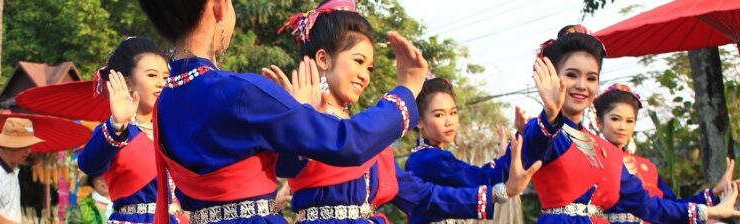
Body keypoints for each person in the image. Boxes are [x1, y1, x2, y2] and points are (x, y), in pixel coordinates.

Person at [137, 0, 538, 223]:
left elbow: (410, 193)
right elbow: (342, 147)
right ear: (219, 7)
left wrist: (502, 191)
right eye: (360, 61)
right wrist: (408, 89)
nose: (366, 74)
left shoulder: (169, 99)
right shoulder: (247, 95)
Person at [522, 25, 740, 223]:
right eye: (571, 75)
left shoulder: (608, 152)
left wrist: (711, 211)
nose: (582, 86)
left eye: (591, 78)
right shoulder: (545, 130)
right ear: (552, 76)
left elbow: (648, 206)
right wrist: (550, 114)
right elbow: (532, 151)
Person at [593, 83, 733, 223]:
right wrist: (711, 212)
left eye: (630, 121)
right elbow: (648, 205)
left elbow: (671, 205)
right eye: (615, 119)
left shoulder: (646, 167)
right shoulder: (595, 160)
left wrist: (715, 191)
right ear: (599, 122)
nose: (623, 127)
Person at [78, 36, 177, 223]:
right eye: (152, 75)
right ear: (128, 82)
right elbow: (89, 164)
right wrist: (117, 123)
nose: (161, 83)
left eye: (165, 77)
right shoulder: (117, 132)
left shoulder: (175, 131)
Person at [401, 78, 524, 224]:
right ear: (419, 121)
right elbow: (480, 181)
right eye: (439, 115)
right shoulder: (431, 160)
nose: (449, 121)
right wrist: (523, 135)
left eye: (453, 113)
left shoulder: (421, 157)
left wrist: (500, 160)